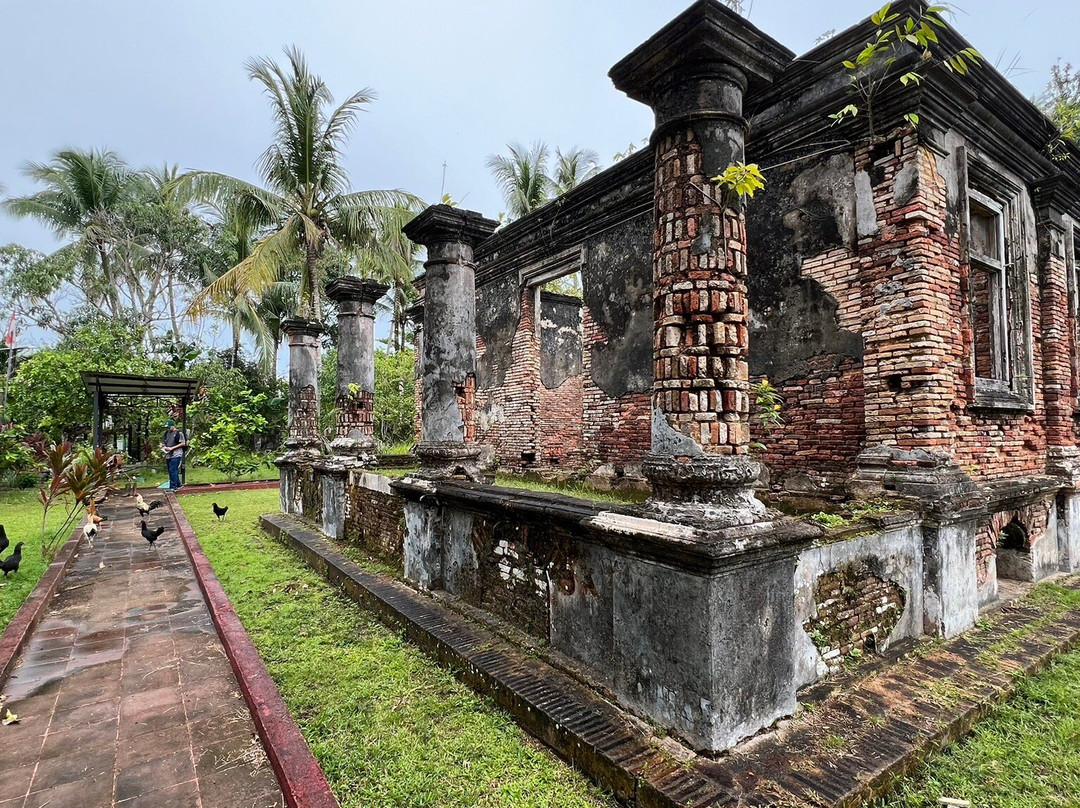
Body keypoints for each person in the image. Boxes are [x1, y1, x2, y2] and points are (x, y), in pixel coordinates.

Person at [161, 419, 187, 491]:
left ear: (173, 426)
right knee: (171, 470)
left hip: (176, 454)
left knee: (173, 469)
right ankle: (178, 484)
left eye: (169, 427)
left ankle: (173, 486)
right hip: (168, 454)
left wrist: (172, 448)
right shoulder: (166, 433)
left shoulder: (179, 433)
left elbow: (183, 443)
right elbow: (164, 441)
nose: (168, 429)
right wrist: (163, 446)